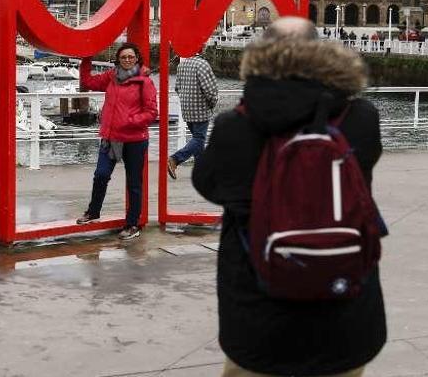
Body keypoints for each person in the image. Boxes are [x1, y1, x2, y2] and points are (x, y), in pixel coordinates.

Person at [192, 18, 386, 376]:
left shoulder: (234, 125)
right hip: (345, 310)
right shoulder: (361, 116)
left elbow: (207, 183)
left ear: (260, 55)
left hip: (259, 313)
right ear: (322, 51)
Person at [76, 43, 158, 241]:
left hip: (134, 140)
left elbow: (152, 113)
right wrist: (86, 56)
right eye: (123, 57)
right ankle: (93, 212)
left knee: (134, 184)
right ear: (118, 60)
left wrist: (129, 121)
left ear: (137, 59)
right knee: (101, 175)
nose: (127, 60)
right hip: (111, 138)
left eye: (131, 57)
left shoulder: (144, 82)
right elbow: (87, 81)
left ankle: (132, 224)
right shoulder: (112, 76)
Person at [167, 51, 218, 180]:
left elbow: (177, 88)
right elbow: (210, 91)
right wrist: (212, 104)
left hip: (187, 109)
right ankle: (175, 159)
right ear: (202, 49)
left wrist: (186, 101)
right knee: (199, 139)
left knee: (197, 141)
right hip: (200, 109)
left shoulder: (181, 65)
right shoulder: (202, 65)